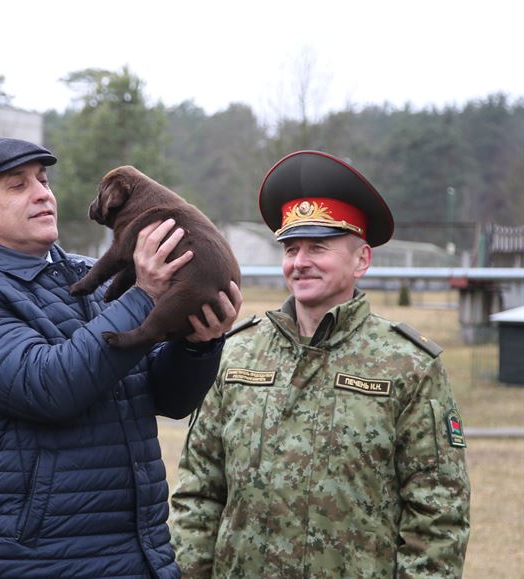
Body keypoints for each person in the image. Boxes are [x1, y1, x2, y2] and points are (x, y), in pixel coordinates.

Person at [0, 136, 242, 579]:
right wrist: (146, 295)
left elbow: (165, 398)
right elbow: (49, 388)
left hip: (141, 549)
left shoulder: (85, 274)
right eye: (17, 186)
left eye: (43, 181)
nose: (42, 193)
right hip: (41, 558)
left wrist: (197, 344)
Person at [170, 150, 471, 578]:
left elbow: (438, 516)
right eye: (291, 248)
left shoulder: (409, 365)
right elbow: (199, 493)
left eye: (319, 247)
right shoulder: (236, 353)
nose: (300, 262)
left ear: (361, 260)